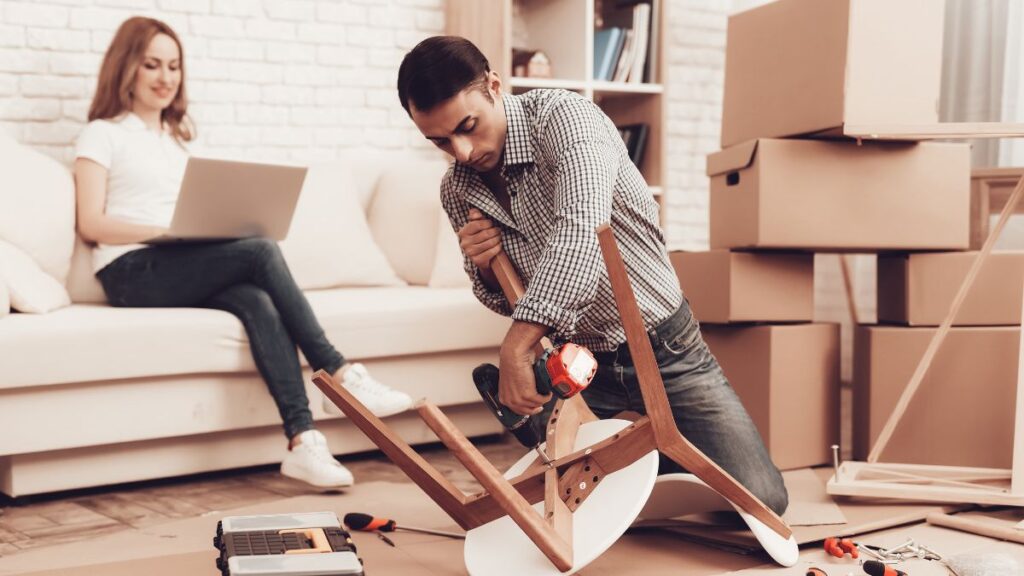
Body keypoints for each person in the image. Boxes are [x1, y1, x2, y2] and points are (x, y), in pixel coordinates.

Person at [396, 36, 788, 514]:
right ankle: (623, 452)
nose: (460, 151)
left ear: (494, 86)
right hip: (579, 363)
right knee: (573, 503)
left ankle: (645, 452)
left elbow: (581, 237)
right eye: (439, 141)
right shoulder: (458, 189)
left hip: (663, 347)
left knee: (763, 500)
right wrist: (483, 267)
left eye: (468, 127)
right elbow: (502, 299)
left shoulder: (567, 120)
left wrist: (515, 346)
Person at [74, 16, 413, 489]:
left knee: (256, 298)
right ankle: (339, 371)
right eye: (152, 64)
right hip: (129, 269)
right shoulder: (101, 133)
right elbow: (90, 223)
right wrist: (162, 231)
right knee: (259, 250)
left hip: (174, 260)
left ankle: (302, 441)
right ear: (126, 67)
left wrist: (199, 229)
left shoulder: (175, 141)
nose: (165, 77)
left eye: (173, 65)